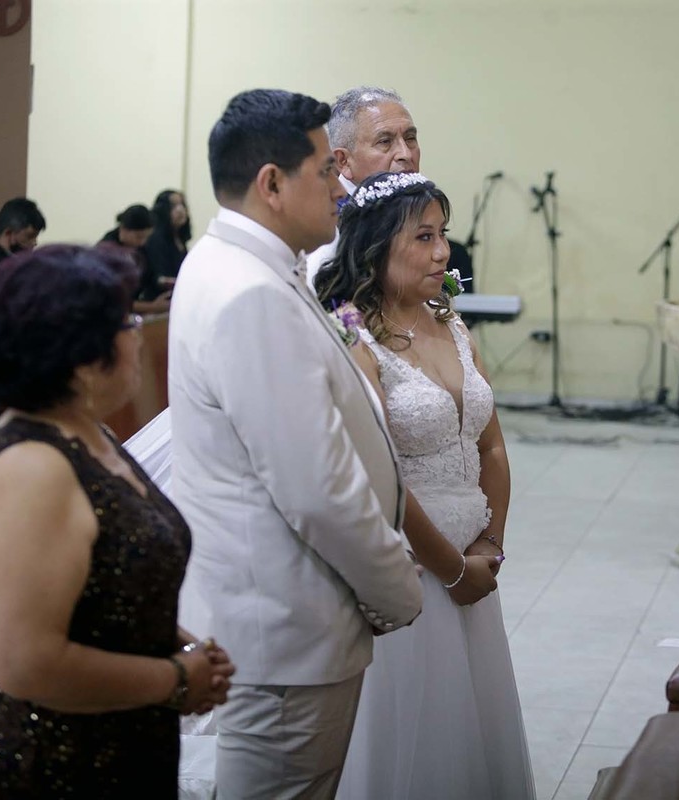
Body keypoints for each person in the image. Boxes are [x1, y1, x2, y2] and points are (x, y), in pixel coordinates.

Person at [167, 90, 423, 798]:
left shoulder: (239, 265)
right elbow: (317, 490)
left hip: (282, 627)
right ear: (272, 184)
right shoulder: (251, 293)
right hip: (288, 637)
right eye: (324, 171)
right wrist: (398, 590)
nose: (341, 188)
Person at [0, 244, 234, 797]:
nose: (139, 336)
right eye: (126, 323)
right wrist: (175, 679)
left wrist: (181, 646)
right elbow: (25, 663)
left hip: (126, 748)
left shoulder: (87, 433)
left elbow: (104, 590)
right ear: (80, 354)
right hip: (59, 768)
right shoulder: (31, 469)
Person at [317, 172, 535, 799]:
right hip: (411, 564)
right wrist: (452, 570)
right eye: (423, 237)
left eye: (444, 234)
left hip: (473, 558)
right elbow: (377, 470)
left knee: (470, 729)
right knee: (412, 738)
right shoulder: (351, 331)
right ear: (376, 245)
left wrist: (490, 543)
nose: (443, 252)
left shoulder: (454, 325)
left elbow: (491, 445)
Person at [305, 86, 421, 291]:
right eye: (385, 141)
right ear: (343, 161)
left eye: (410, 138)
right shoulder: (327, 233)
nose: (406, 154)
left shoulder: (414, 211)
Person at [98, 204, 171, 314]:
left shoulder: (140, 248)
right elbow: (111, 301)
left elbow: (149, 276)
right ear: (123, 229)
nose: (143, 242)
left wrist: (163, 282)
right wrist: (153, 307)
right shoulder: (106, 252)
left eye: (147, 237)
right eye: (139, 237)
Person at [142, 189, 191, 297]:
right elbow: (158, 278)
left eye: (182, 205)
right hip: (159, 299)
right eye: (173, 206)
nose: (180, 210)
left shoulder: (180, 239)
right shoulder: (155, 239)